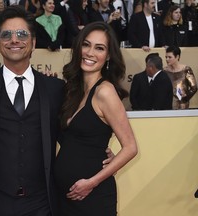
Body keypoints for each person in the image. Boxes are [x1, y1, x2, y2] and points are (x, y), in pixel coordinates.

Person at [0, 6, 114, 216]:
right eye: (6, 34)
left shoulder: (54, 89)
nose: (14, 40)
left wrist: (95, 150)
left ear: (33, 43)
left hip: (43, 201)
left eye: (22, 34)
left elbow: (68, 133)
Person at [54, 21, 138, 216]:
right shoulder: (73, 91)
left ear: (108, 55)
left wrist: (92, 182)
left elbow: (130, 148)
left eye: (99, 48)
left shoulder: (105, 92)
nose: (90, 52)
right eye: (86, 44)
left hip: (92, 197)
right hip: (65, 198)